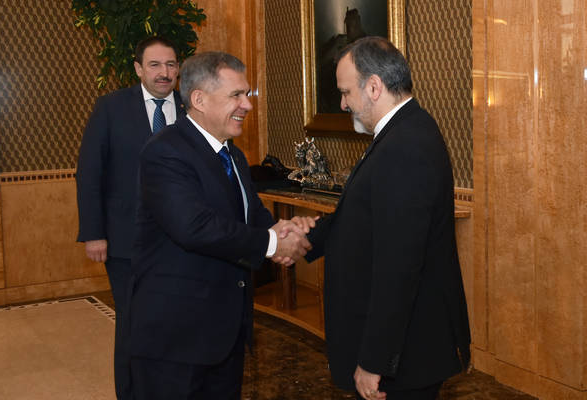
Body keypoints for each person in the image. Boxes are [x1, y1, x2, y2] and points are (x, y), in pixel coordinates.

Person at [128, 51, 314, 399]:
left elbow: (251, 214)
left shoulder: (233, 154)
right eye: (236, 95)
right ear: (199, 99)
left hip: (225, 331)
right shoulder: (165, 151)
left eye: (247, 94)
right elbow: (194, 227)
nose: (247, 104)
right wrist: (273, 244)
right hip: (177, 338)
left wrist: (284, 230)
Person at [305, 36, 471, 400]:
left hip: (406, 356)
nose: (343, 103)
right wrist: (304, 237)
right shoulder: (401, 133)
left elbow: (399, 266)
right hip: (406, 347)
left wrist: (374, 361)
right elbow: (362, 219)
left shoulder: (405, 146)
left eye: (346, 92)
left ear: (374, 87)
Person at [75, 36, 184, 399]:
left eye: (170, 64)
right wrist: (94, 233)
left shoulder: (193, 106)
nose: (163, 72)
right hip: (126, 240)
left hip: (184, 240)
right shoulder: (111, 107)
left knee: (177, 321)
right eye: (154, 65)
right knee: (132, 322)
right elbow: (90, 172)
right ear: (138, 69)